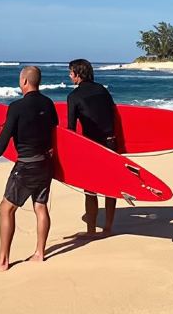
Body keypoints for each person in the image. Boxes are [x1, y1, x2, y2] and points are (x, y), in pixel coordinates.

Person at [0, 66, 57, 272]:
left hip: (27, 165)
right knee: (40, 206)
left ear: (25, 82)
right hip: (45, 163)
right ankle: (40, 253)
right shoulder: (48, 104)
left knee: (6, 208)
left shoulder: (17, 107)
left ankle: (2, 261)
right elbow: (56, 132)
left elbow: (4, 139)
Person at [66, 58, 118, 236]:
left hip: (92, 146)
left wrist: (69, 154)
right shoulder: (103, 90)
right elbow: (113, 114)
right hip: (111, 143)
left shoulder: (73, 96)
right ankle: (108, 228)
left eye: (71, 72)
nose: (70, 75)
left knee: (90, 189)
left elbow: (71, 129)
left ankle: (91, 231)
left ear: (78, 74)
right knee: (111, 188)